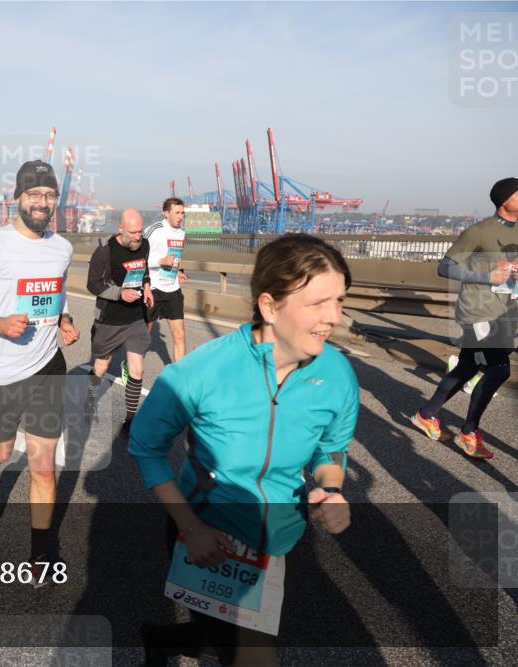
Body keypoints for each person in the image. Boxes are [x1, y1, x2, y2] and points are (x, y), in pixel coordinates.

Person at [130, 234, 358, 665]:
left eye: (339, 301)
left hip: (280, 535)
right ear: (269, 306)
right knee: (253, 656)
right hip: (208, 529)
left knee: (226, 637)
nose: (333, 318)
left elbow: (331, 448)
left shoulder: (338, 374)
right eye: (317, 303)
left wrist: (331, 487)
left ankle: (163, 640)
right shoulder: (202, 371)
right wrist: (189, 527)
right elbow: (146, 447)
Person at [0, 160, 80, 584]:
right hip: (1, 371)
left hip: (47, 366)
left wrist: (63, 319)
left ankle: (39, 553)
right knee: (2, 452)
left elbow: (55, 295)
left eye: (49, 196)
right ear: (17, 199)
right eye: (35, 195)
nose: (42, 203)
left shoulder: (62, 248)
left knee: (43, 465)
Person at [410, 177, 518, 459]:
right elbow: (445, 267)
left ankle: (426, 414)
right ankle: (469, 432)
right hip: (478, 312)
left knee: (468, 367)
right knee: (498, 369)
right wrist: (485, 276)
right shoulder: (480, 231)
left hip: (503, 312)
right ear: (505, 199)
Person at [84, 208, 154, 434]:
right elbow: (93, 284)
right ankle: (90, 399)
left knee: (137, 370)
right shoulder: (104, 252)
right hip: (109, 319)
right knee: (101, 367)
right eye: (132, 232)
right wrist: (119, 293)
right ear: (120, 229)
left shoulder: (144, 244)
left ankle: (130, 420)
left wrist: (146, 287)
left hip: (135, 318)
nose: (138, 236)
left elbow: (144, 269)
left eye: (140, 231)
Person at [144, 197, 189, 364]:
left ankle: (179, 376)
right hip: (153, 289)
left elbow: (175, 257)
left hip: (173, 290)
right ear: (166, 214)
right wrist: (160, 262)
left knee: (180, 335)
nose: (180, 216)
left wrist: (176, 272)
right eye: (177, 213)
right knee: (145, 336)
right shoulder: (154, 230)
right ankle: (130, 363)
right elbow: (138, 258)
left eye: (182, 213)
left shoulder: (182, 233)